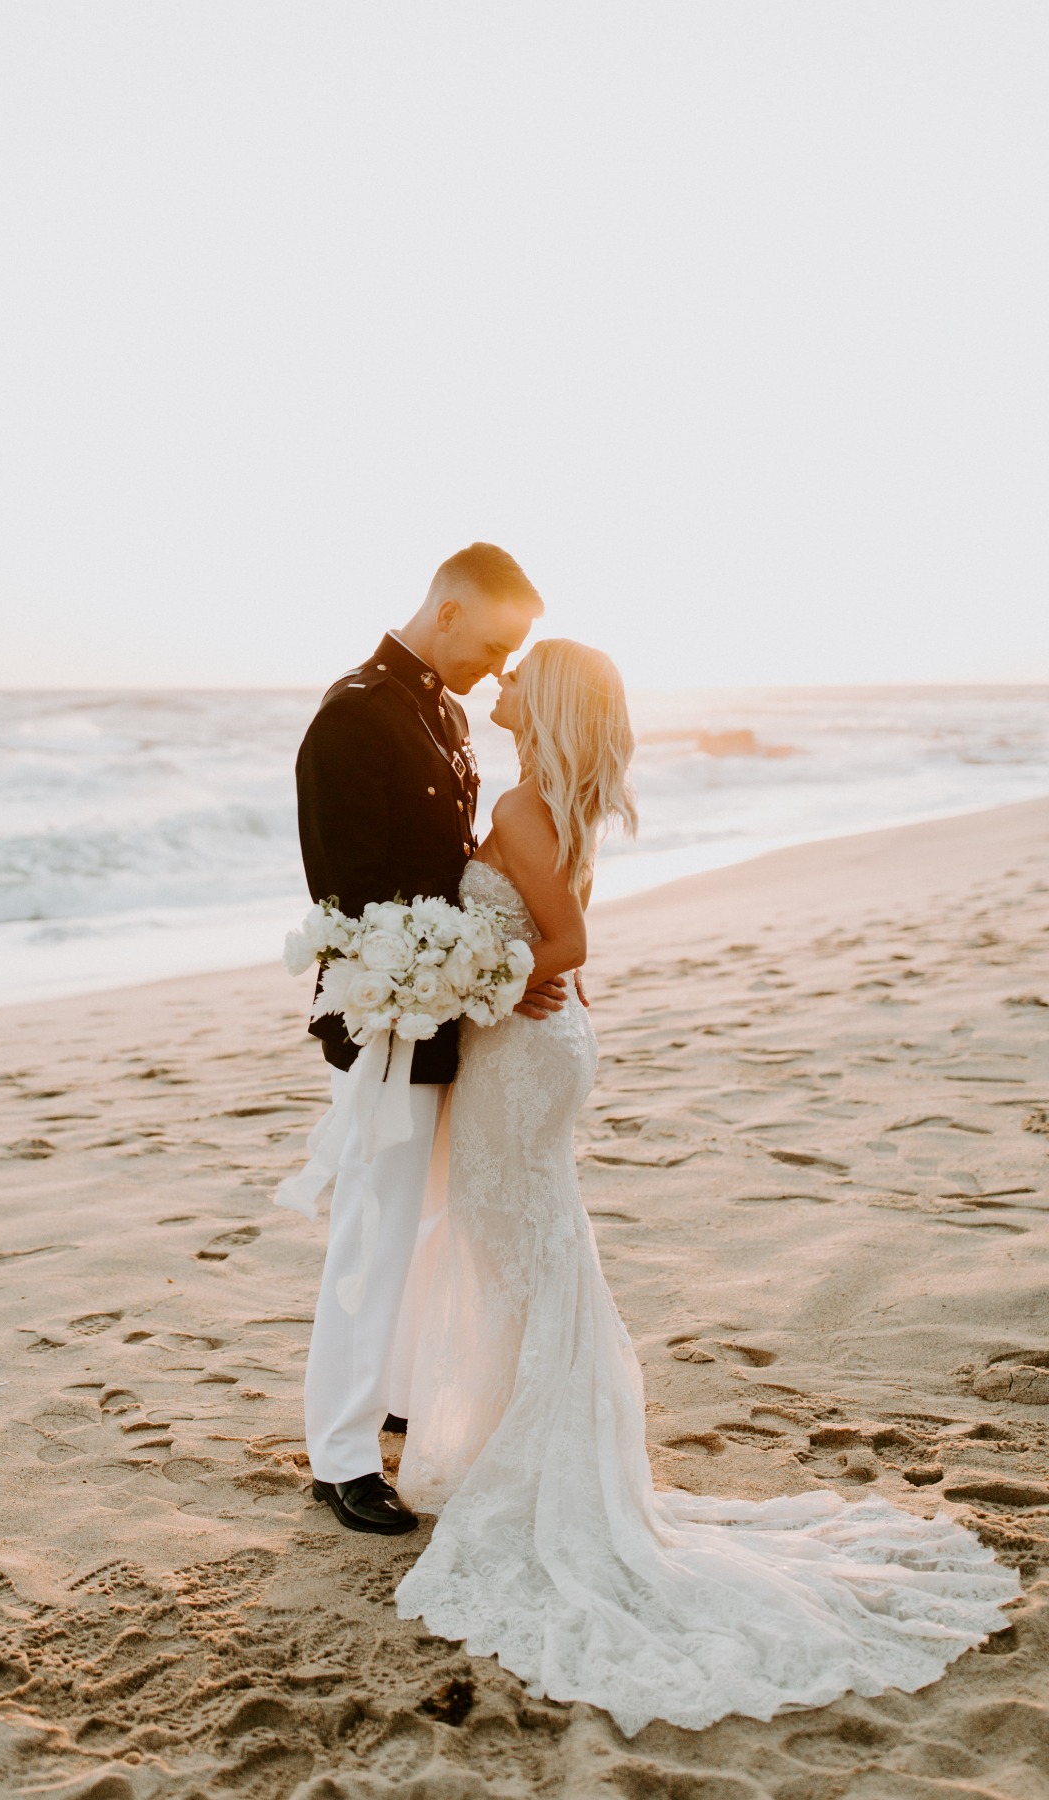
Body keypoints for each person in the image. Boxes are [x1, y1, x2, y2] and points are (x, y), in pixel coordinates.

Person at [395, 637, 1020, 1734]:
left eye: (519, 673)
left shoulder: (526, 806)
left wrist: (469, 980)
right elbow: (564, 944)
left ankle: (538, 1468)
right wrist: (521, 981)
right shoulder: (551, 798)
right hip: (542, 1044)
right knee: (531, 1245)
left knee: (519, 1246)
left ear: (543, 704)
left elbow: (567, 937)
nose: (499, 684)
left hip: (522, 1049)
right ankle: (519, 1446)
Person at [294, 542, 556, 1535]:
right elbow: (349, 896)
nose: (495, 670)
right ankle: (342, 1456)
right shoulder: (353, 713)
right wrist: (468, 968)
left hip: (447, 1009)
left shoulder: (443, 707)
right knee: (374, 1226)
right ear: (446, 609)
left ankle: (393, 1392)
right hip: (384, 1011)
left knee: (428, 1217)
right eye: (490, 645)